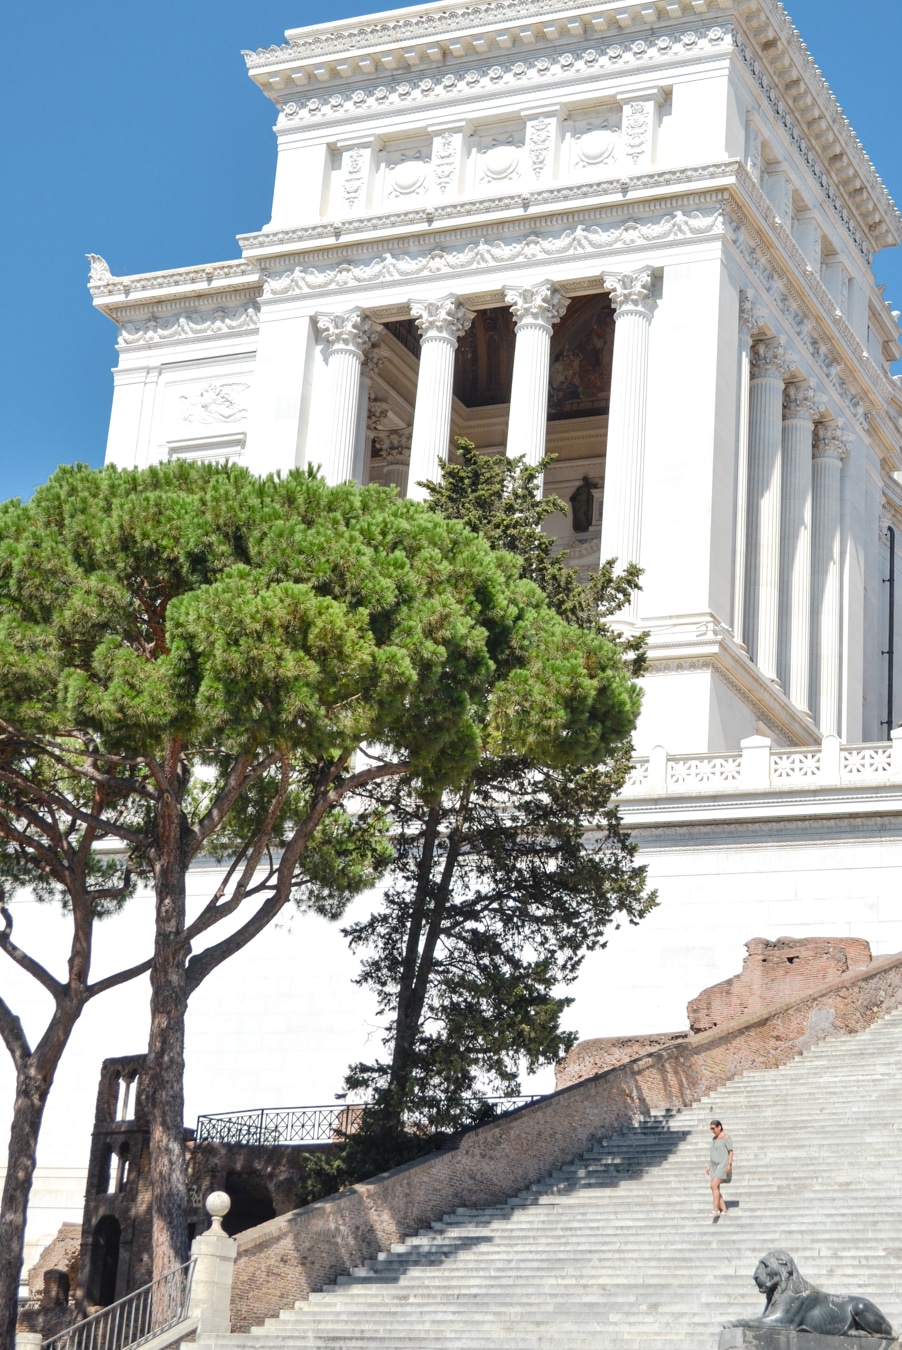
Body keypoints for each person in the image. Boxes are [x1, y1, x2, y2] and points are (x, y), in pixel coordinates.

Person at [707, 1119, 733, 1219]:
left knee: (713, 1185)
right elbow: (713, 1153)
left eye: (713, 1128)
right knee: (715, 1187)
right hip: (714, 1165)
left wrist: (729, 1165)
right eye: (711, 1129)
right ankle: (725, 1210)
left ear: (719, 1127)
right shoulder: (714, 1139)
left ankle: (716, 1210)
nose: (712, 1130)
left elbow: (730, 1152)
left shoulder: (726, 1137)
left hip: (723, 1164)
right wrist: (708, 1165)